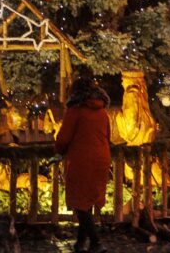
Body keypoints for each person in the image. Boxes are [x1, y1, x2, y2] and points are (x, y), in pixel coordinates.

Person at [54, 76, 112, 253]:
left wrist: (59, 151)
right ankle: (80, 243)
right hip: (101, 158)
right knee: (88, 201)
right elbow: (107, 136)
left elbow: (63, 137)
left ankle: (96, 242)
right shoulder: (102, 111)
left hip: (82, 160)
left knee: (79, 201)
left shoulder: (75, 111)